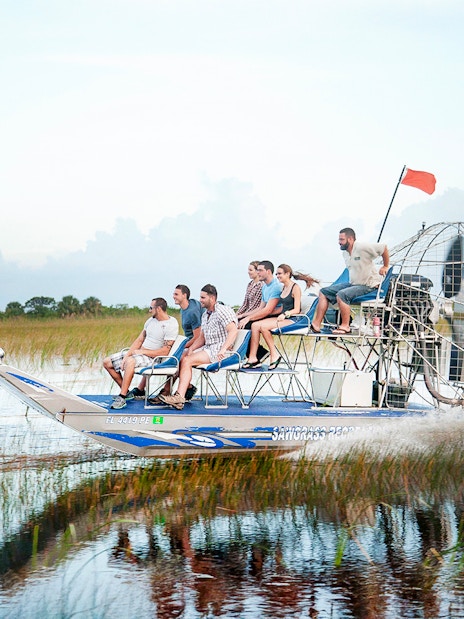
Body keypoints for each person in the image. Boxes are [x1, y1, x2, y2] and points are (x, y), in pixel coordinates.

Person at [160, 284, 238, 410]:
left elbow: (233, 331)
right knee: (181, 356)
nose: (200, 300)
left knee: (187, 361)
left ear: (212, 298)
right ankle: (172, 391)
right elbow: (202, 337)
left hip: (218, 350)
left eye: (203, 297)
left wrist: (224, 349)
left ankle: (179, 397)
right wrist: (191, 349)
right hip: (209, 347)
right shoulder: (206, 314)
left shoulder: (223, 311)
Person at [310, 227, 390, 335]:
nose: (339, 242)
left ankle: (345, 326)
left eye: (342, 240)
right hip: (354, 284)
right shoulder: (345, 253)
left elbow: (383, 248)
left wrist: (385, 266)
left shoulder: (362, 247)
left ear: (351, 239)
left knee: (342, 295)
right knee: (324, 292)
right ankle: (316, 324)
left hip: (369, 285)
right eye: (339, 240)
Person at [103, 297, 179, 409]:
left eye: (151, 308)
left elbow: (165, 351)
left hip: (153, 358)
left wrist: (142, 352)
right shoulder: (150, 321)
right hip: (140, 354)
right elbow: (139, 340)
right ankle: (127, 392)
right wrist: (128, 354)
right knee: (107, 362)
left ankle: (122, 396)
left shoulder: (170, 324)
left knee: (131, 361)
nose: (149, 310)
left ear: (158, 309)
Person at [243, 264, 319, 369]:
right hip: (283, 316)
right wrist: (270, 313)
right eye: (277, 274)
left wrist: (285, 314)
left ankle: (274, 355)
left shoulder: (295, 288)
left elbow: (297, 309)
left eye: (279, 274)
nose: (277, 276)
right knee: (255, 325)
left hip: (293, 319)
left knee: (264, 327)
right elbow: (283, 307)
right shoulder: (284, 287)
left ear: (287, 274)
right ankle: (253, 358)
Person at [146, 284, 203, 404]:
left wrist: (179, 346)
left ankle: (167, 391)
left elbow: (197, 337)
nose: (173, 297)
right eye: (173, 294)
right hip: (192, 341)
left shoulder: (192, 312)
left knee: (178, 356)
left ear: (185, 295)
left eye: (176, 294)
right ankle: (187, 387)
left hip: (200, 343)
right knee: (176, 354)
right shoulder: (188, 305)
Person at [238, 260, 283, 362]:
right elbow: (260, 308)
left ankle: (259, 354)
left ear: (268, 272)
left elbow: (268, 310)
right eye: (257, 270)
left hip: (275, 315)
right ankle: (252, 355)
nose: (258, 273)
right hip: (267, 313)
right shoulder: (265, 286)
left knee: (246, 325)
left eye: (260, 270)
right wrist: (243, 316)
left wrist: (248, 318)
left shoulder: (276, 286)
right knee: (239, 323)